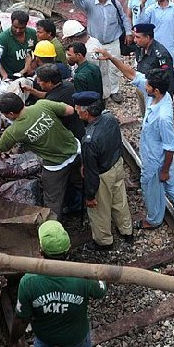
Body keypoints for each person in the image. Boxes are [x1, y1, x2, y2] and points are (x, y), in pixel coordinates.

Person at [98, 50, 174, 229]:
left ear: (156, 89)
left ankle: (153, 220)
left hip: (156, 160)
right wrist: (112, 57)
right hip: (156, 155)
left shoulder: (163, 117)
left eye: (147, 85)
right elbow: (132, 74)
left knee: (151, 188)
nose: (144, 86)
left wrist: (163, 169)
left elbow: (170, 147)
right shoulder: (157, 95)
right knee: (172, 181)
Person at [0, 94, 79, 217]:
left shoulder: (14, 131)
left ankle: (53, 230)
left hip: (55, 166)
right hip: (76, 150)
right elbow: (69, 110)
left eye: (5, 115)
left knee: (52, 200)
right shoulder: (43, 105)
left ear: (10, 114)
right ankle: (78, 205)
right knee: (79, 182)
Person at [8, 221, 106, 347]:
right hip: (75, 337)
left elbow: (21, 319)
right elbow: (100, 291)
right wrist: (99, 274)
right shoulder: (83, 275)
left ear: (41, 251)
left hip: (44, 336)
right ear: (69, 249)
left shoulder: (29, 281)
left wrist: (13, 341)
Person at [75, 92, 133, 250]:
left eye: (78, 107)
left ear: (86, 112)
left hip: (102, 175)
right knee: (119, 200)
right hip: (116, 164)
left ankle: (104, 241)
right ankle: (126, 230)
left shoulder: (89, 140)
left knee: (99, 211)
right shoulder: (109, 119)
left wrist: (90, 195)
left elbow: (91, 173)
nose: (76, 109)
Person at [72, 0, 132, 103]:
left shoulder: (114, 3)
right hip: (96, 43)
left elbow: (123, 17)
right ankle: (101, 93)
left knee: (114, 67)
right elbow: (78, 3)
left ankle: (114, 91)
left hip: (113, 41)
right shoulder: (89, 3)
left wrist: (129, 32)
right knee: (97, 68)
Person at [24, 64, 85, 139]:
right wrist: (31, 90)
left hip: (71, 135)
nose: (38, 82)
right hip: (81, 126)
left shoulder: (52, 101)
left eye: (40, 80)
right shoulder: (67, 85)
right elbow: (49, 94)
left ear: (49, 83)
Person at [131, 23, 174, 95]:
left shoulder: (161, 55)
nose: (135, 40)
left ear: (147, 38)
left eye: (138, 37)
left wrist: (166, 100)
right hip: (143, 88)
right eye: (135, 37)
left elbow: (169, 80)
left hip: (155, 94)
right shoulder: (140, 47)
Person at [0, 10, 38, 79]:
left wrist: (32, 64)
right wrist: (4, 74)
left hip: (28, 73)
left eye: (21, 28)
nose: (18, 30)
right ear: (11, 23)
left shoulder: (32, 34)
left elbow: (37, 52)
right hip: (10, 76)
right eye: (15, 27)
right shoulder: (2, 39)